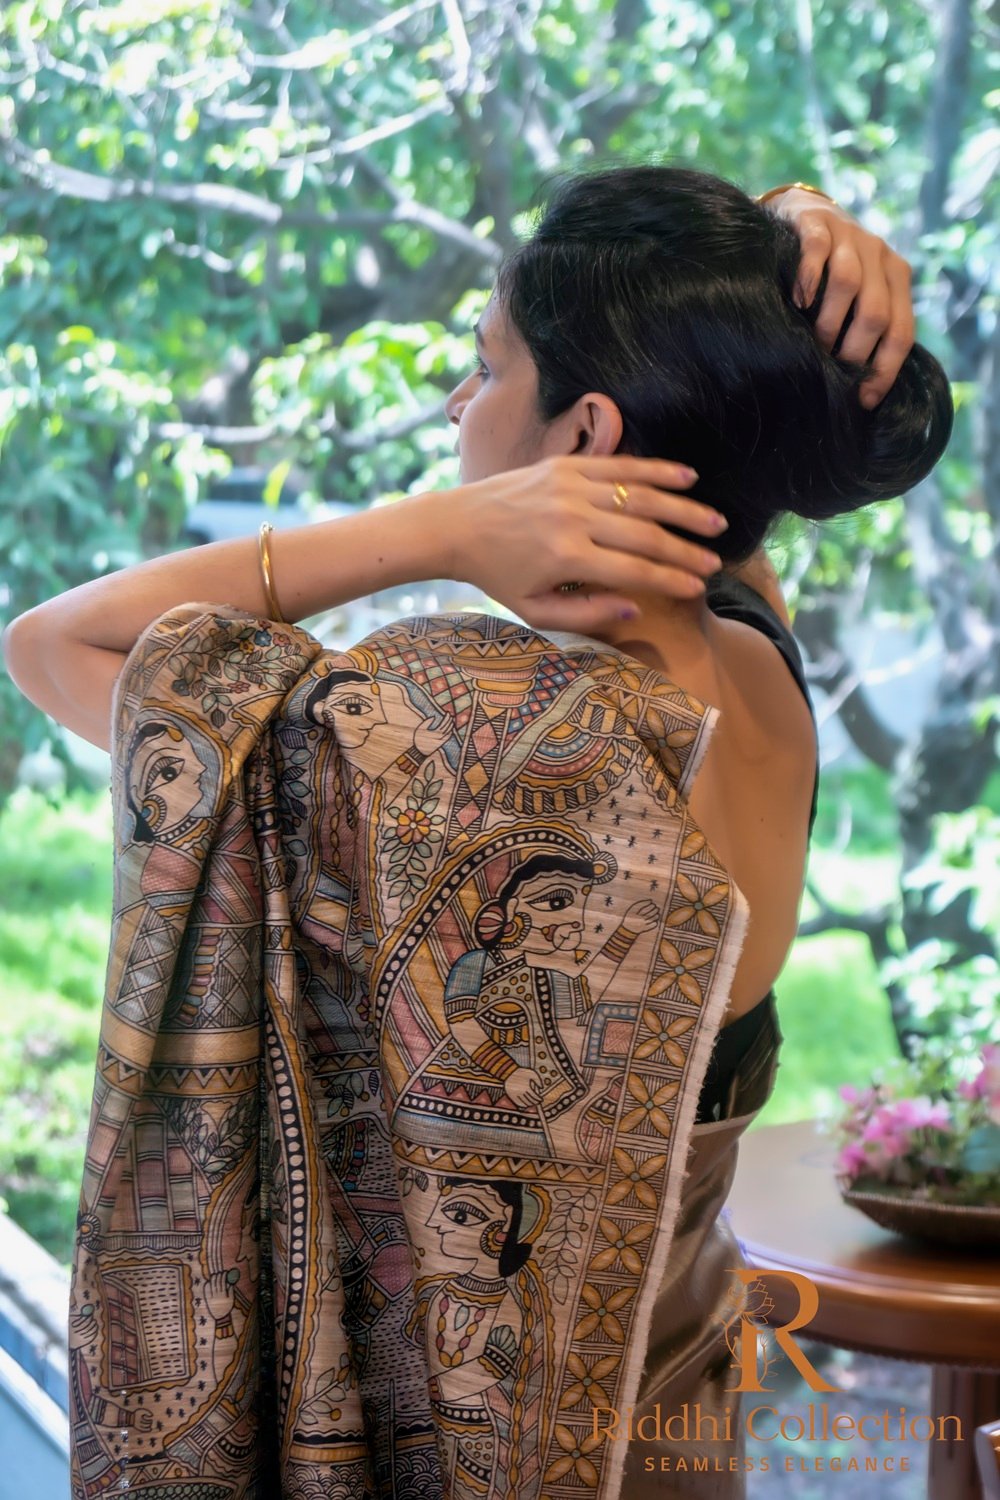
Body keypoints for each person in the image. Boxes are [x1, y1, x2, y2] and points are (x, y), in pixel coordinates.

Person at [3, 168, 951, 1500]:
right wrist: (791, 223)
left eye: (486, 364)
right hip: (680, 1418)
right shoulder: (757, 661)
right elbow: (723, 420)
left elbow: (54, 643)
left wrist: (432, 532)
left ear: (587, 432)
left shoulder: (485, 745)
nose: (457, 401)